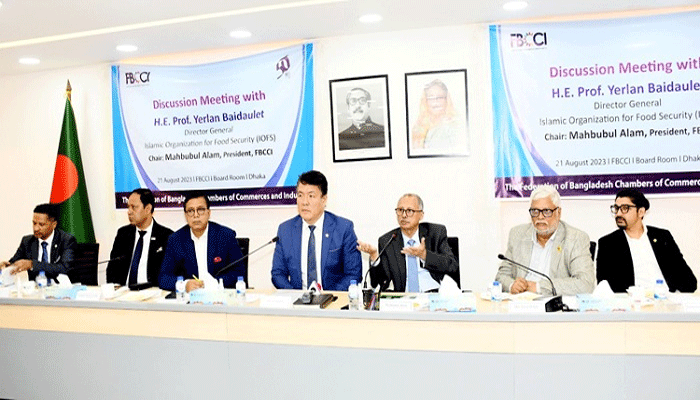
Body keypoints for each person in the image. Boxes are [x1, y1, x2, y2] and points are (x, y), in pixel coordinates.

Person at [495, 185, 595, 295]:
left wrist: (538, 287)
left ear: (558, 213)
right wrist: (512, 285)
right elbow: (501, 276)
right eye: (535, 211)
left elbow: (585, 284)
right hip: (521, 302)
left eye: (546, 211)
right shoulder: (517, 235)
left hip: (553, 303)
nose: (540, 217)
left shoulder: (575, 239)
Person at [271, 170, 362, 291]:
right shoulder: (285, 230)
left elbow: (354, 274)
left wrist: (329, 296)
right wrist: (294, 295)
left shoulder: (343, 228)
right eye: (300, 195)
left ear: (323, 199)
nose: (304, 202)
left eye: (311, 196)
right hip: (297, 299)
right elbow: (278, 273)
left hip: (333, 299)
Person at [597, 188, 697, 293]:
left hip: (665, 298)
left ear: (641, 212)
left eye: (625, 208)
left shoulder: (662, 237)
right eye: (616, 208)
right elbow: (605, 287)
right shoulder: (608, 243)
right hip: (632, 300)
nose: (618, 214)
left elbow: (689, 280)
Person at [357, 194, 458, 292]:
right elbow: (380, 283)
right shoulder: (388, 240)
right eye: (400, 210)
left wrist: (424, 255)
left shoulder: (436, 233)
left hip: (432, 294)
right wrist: (374, 256)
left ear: (421, 215)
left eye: (409, 211)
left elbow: (452, 266)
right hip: (403, 298)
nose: (404, 215)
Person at [158, 192, 244, 292]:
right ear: (186, 215)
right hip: (189, 298)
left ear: (208, 212)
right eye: (191, 211)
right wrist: (185, 284)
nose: (196, 215)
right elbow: (164, 278)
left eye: (200, 210)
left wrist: (214, 283)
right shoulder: (176, 240)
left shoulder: (225, 236)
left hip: (219, 295)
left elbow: (239, 272)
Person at [107, 189, 173, 287]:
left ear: (148, 209)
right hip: (124, 292)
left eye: (134, 207)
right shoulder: (123, 234)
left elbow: (171, 273)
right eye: (128, 207)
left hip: (153, 292)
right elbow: (112, 269)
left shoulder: (166, 236)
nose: (129, 212)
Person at [0, 203, 76, 281]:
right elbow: (15, 263)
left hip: (60, 287)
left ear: (54, 224)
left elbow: (64, 269)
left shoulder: (66, 240)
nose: (36, 228)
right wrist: (6, 266)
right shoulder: (27, 241)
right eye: (34, 223)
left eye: (41, 224)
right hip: (36, 288)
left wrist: (32, 264)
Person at [410, 79, 467, 150]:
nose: (435, 101)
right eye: (431, 98)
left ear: (447, 99)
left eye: (440, 97)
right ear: (425, 101)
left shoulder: (455, 126)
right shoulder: (418, 128)